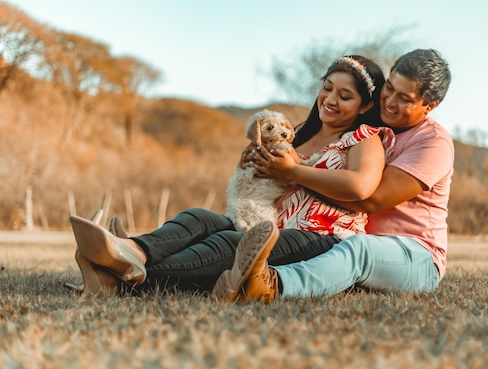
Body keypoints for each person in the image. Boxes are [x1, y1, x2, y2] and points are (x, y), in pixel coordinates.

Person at [68, 54, 394, 296]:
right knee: (199, 219)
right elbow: (267, 180)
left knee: (228, 244)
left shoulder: (364, 139)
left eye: (345, 96)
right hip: (267, 222)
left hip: (320, 238)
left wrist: (294, 171)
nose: (330, 100)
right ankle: (132, 250)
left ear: (365, 106)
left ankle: (114, 277)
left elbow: (361, 187)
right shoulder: (297, 134)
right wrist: (251, 164)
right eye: (327, 88)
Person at [213, 48, 453, 303]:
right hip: (351, 241)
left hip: (415, 255)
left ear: (430, 105)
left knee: (359, 251)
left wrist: (295, 172)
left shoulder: (432, 144)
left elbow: (370, 200)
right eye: (390, 87)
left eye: (404, 98)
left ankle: (271, 285)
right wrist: (256, 166)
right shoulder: (367, 129)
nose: (390, 101)